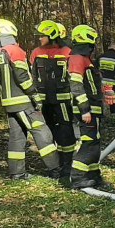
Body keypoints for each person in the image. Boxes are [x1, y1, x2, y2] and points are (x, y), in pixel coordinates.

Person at [0, 18, 59, 180]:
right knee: (42, 132)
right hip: (23, 101)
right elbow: (22, 76)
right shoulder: (14, 50)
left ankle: (17, 173)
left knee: (17, 137)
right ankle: (55, 169)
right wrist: (34, 95)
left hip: (8, 102)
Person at [30, 20, 76, 183]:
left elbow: (74, 76)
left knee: (66, 130)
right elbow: (33, 75)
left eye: (42, 36)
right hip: (44, 101)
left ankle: (67, 163)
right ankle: (56, 164)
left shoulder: (67, 51)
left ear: (51, 36)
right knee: (49, 132)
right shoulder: (36, 52)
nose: (39, 39)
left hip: (63, 100)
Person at [67, 25, 108, 188]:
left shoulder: (84, 58)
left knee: (94, 142)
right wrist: (84, 109)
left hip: (93, 108)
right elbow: (76, 85)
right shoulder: (77, 58)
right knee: (88, 142)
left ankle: (93, 174)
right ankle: (77, 177)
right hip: (86, 110)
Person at [98, 42, 115, 119]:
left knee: (100, 100)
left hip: (101, 83)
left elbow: (95, 68)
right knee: (113, 100)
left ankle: (100, 116)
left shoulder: (101, 56)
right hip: (112, 83)